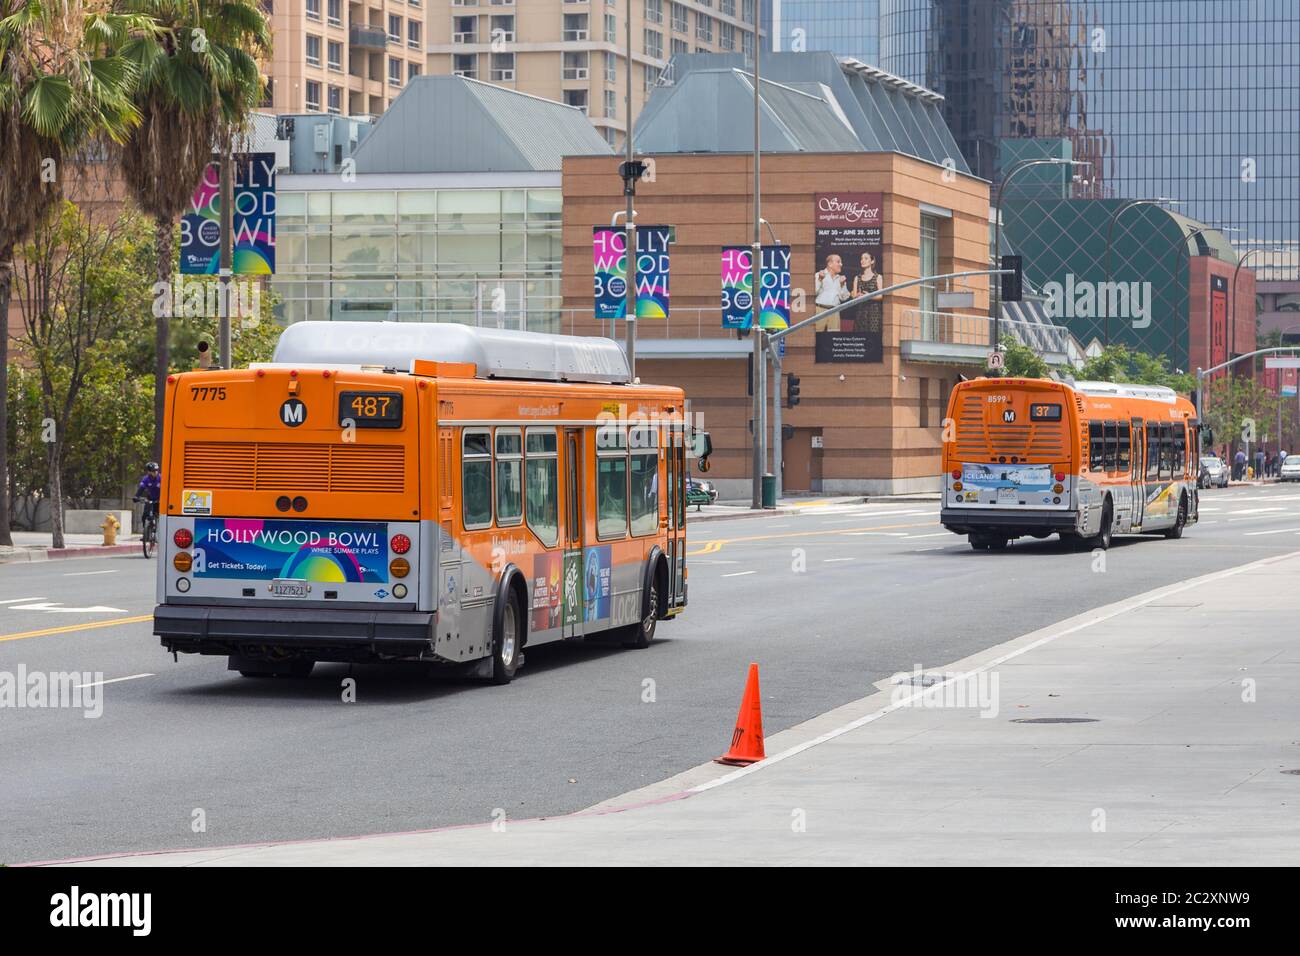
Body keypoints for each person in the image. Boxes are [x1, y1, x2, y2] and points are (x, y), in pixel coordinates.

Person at [814, 254, 849, 331]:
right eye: (838, 262)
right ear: (830, 264)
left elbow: (844, 298)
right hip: (820, 310)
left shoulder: (841, 279)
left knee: (833, 337)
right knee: (817, 336)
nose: (841, 264)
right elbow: (813, 293)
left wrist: (842, 285)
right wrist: (820, 280)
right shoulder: (818, 275)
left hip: (835, 312)